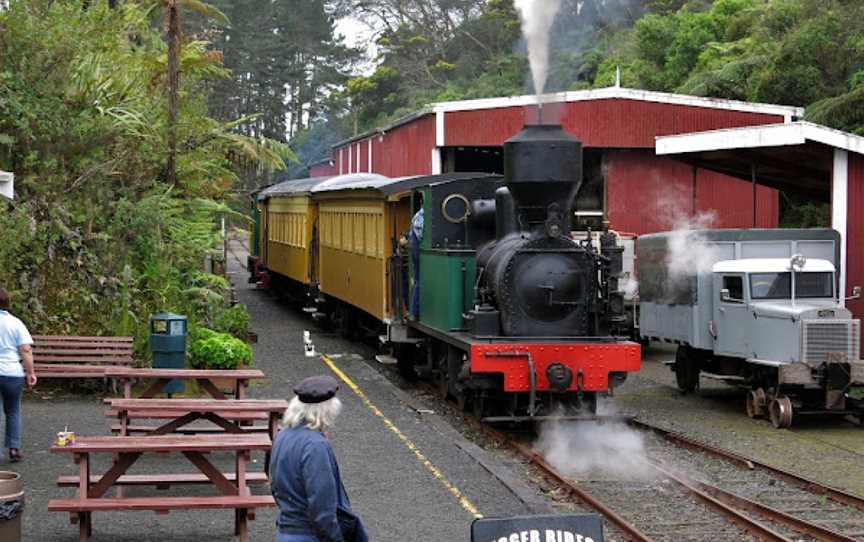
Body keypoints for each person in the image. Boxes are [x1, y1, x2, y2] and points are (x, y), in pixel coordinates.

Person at [270, 375, 368, 542]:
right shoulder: (316, 445)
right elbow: (322, 506)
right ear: (327, 411)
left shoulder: (283, 435)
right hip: (309, 535)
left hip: (286, 531)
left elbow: (274, 485)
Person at [0, 288, 36, 463]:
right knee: (13, 411)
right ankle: (14, 449)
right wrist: (30, 372)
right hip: (12, 373)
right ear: (8, 303)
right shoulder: (16, 323)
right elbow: (26, 350)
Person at [409, 201, 424, 318]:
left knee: (418, 280)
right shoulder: (421, 216)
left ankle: (414, 311)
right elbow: (421, 235)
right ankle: (415, 310)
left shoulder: (418, 216)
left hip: (416, 249)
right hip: (417, 250)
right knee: (419, 279)